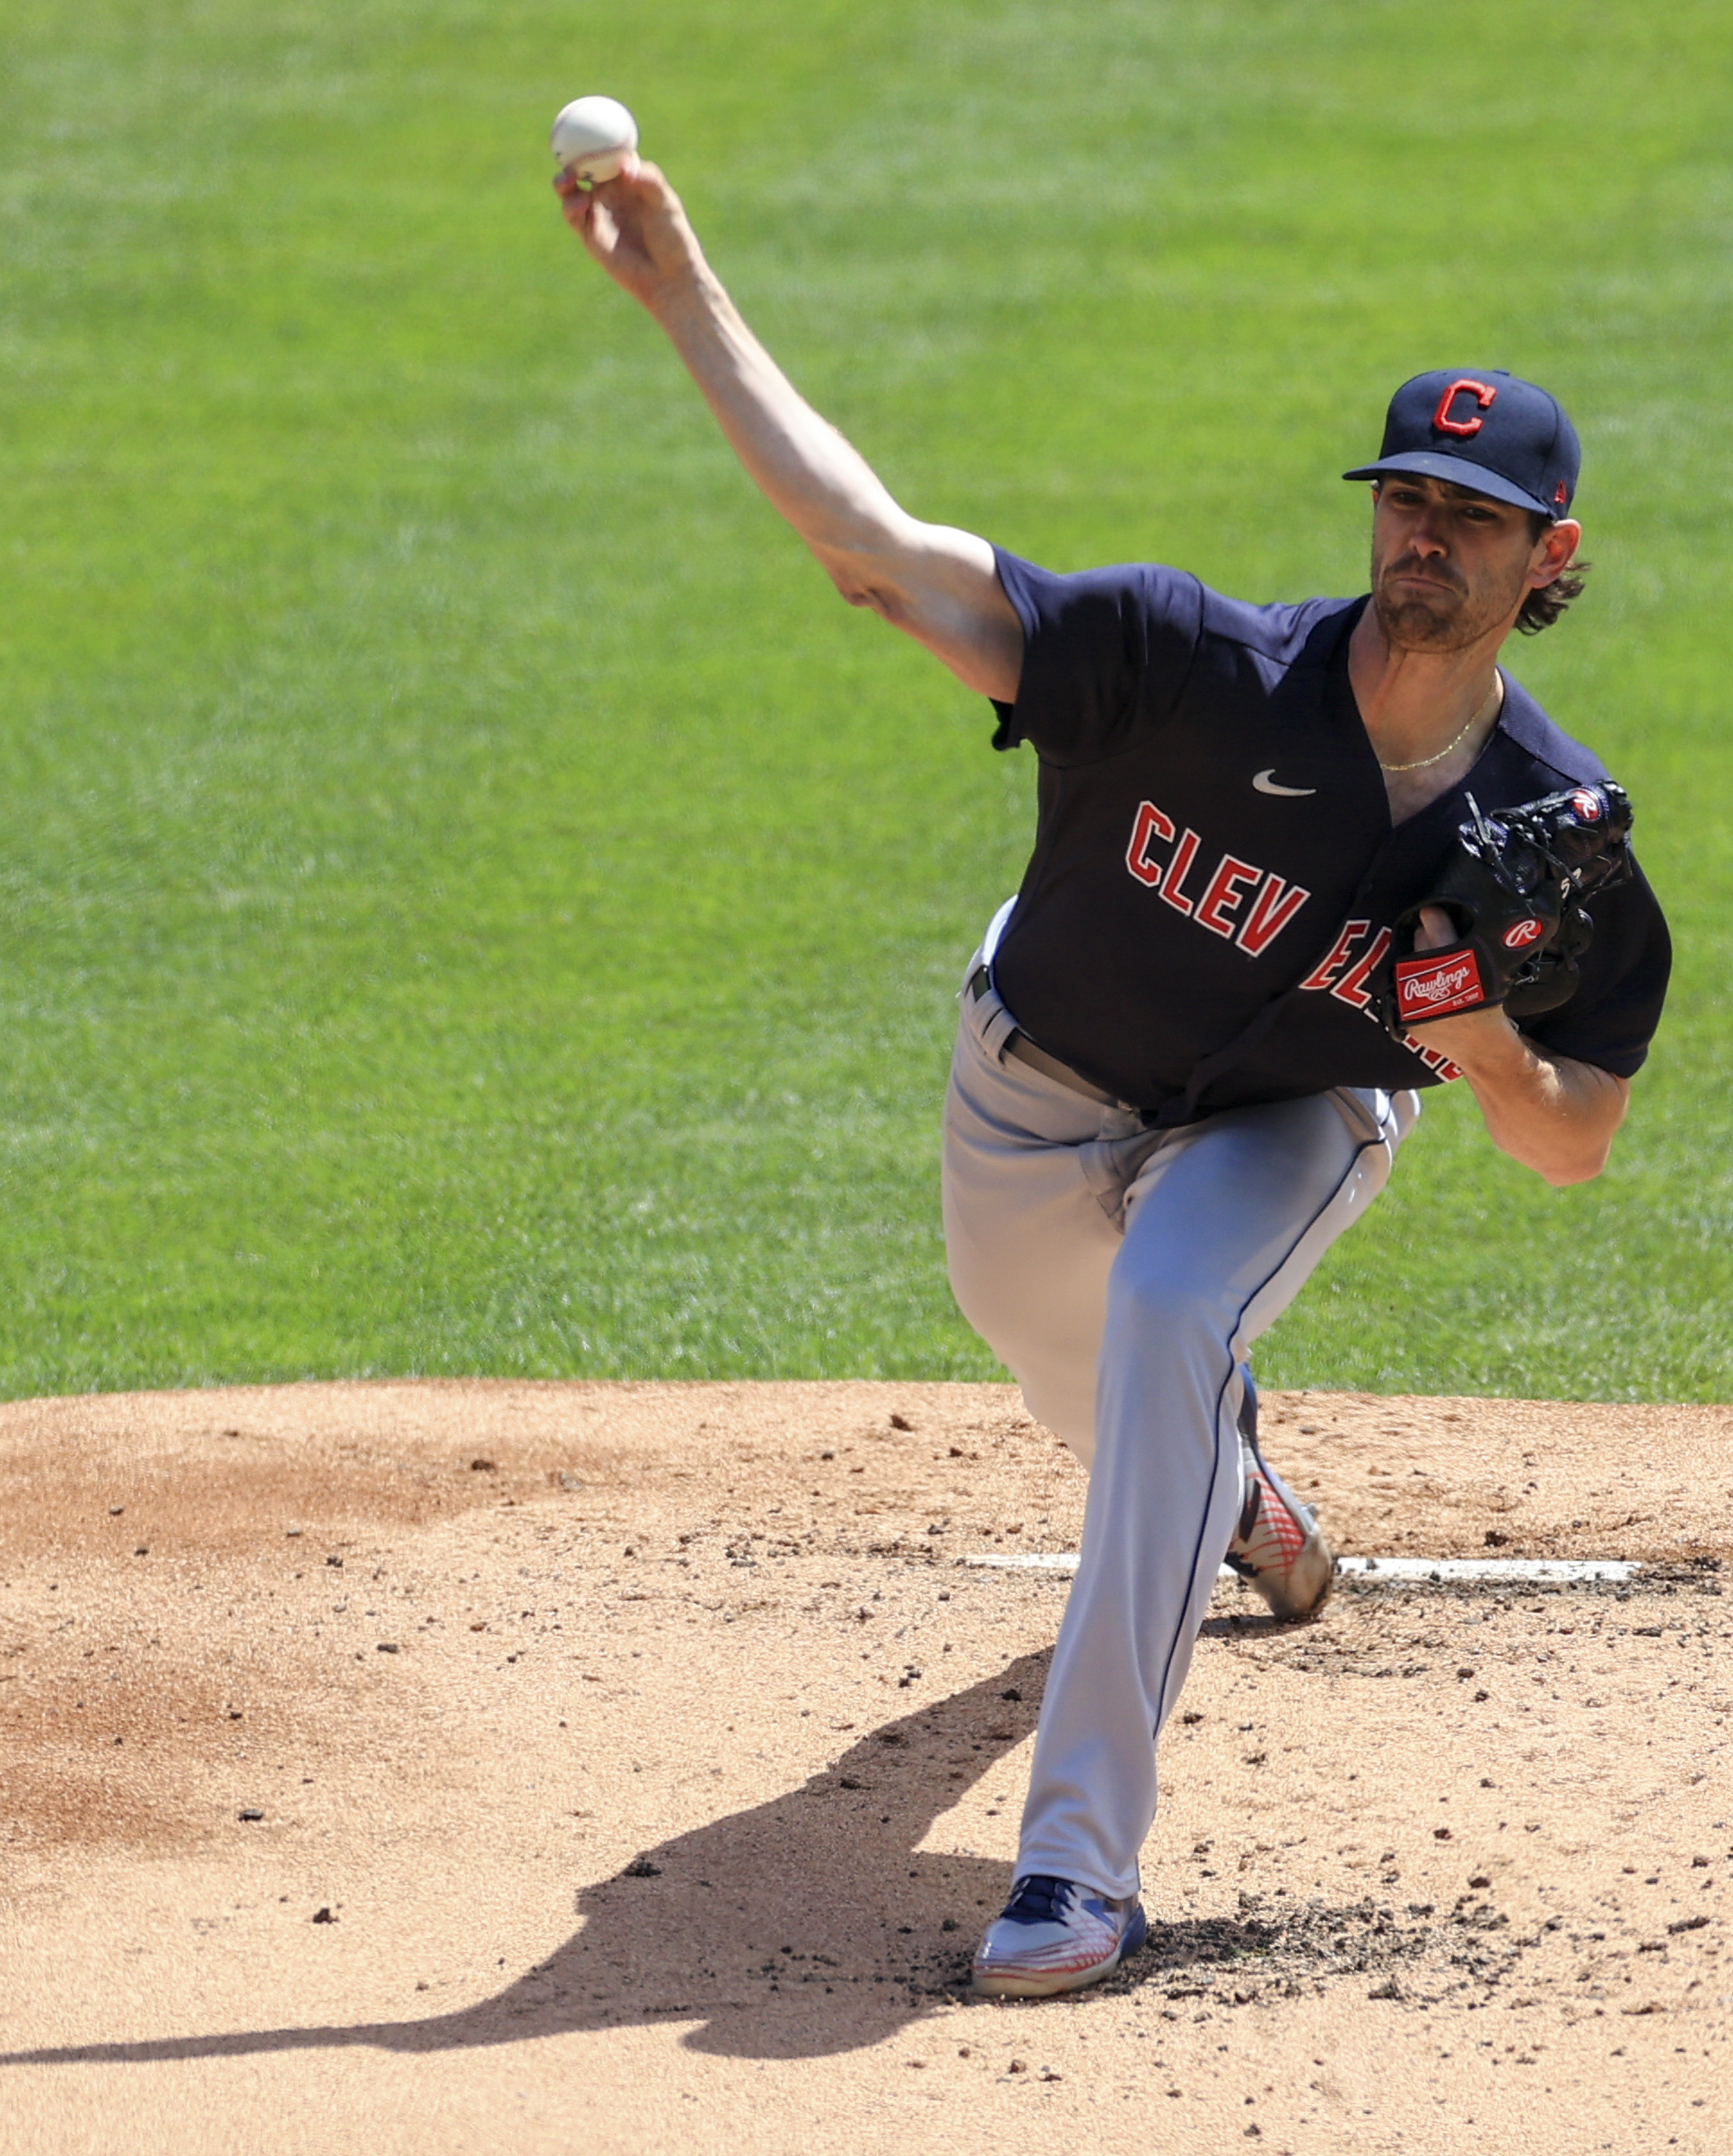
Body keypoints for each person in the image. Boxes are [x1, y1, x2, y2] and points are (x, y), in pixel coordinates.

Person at [555, 154, 1670, 1999]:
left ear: (1549, 556)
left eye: (1473, 516)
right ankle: (1229, 1490)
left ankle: (1077, 1864)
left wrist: (1474, 1038)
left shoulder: (1550, 836)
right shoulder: (1182, 664)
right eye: (1406, 496)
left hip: (1285, 1124)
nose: (1426, 537)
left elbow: (1575, 1143)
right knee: (1072, 1362)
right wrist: (683, 292)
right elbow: (872, 551)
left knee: (1168, 1304)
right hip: (1031, 1084)